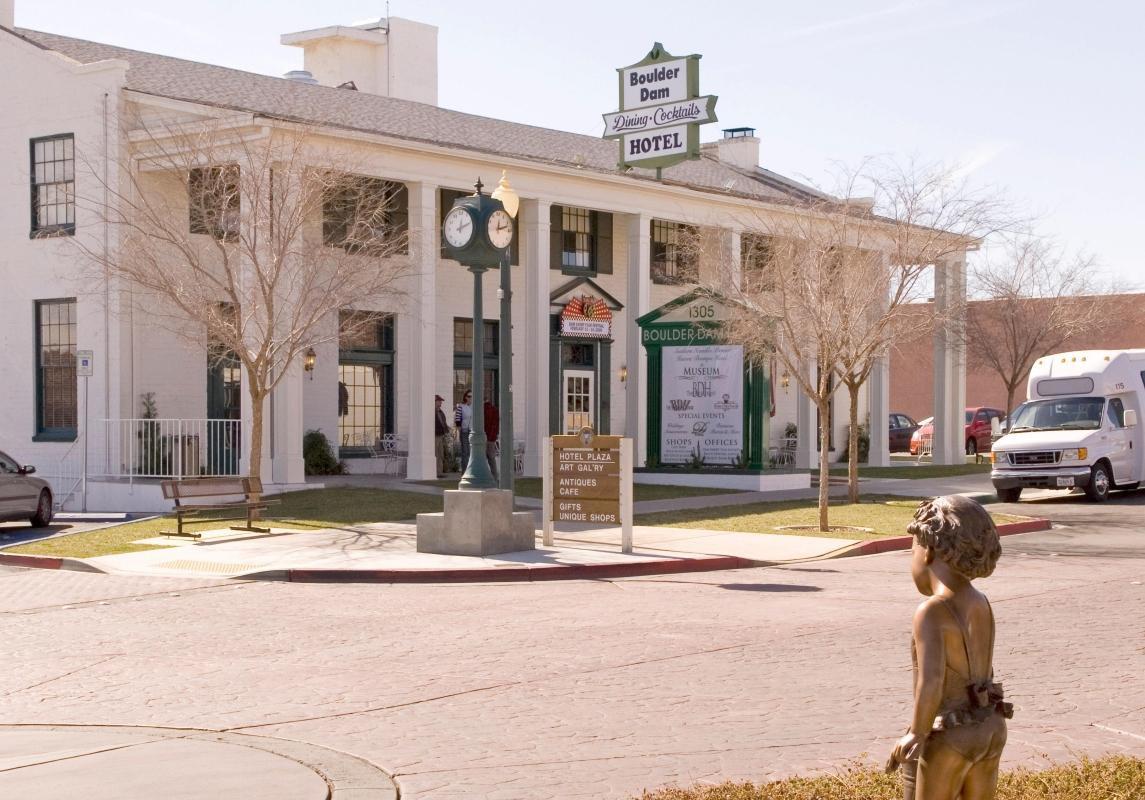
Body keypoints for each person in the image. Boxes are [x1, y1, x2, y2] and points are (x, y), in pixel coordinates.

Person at [886, 495, 1011, 800]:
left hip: (951, 734)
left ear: (928, 550)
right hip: (990, 727)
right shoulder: (981, 602)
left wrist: (916, 732)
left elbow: (932, 682)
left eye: (911, 548)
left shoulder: (931, 611)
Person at [454, 389, 473, 471]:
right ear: (465, 397)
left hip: (473, 431)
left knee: (471, 452)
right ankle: (465, 471)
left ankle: (471, 470)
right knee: (465, 452)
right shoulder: (461, 407)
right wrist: (460, 430)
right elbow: (457, 420)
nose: (470, 398)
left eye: (472, 396)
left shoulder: (474, 407)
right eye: (469, 396)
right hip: (464, 431)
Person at [433, 394, 449, 478]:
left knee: (440, 454)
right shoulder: (432, 412)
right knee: (435, 453)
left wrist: (446, 429)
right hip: (435, 435)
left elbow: (443, 422)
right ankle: (434, 471)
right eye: (439, 401)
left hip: (441, 435)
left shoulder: (440, 412)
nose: (440, 403)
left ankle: (439, 472)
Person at [483, 400, 500, 480]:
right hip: (492, 437)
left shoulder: (482, 409)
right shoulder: (495, 410)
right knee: (491, 458)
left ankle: (485, 475)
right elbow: (497, 423)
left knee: (483, 457)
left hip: (484, 436)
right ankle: (494, 475)